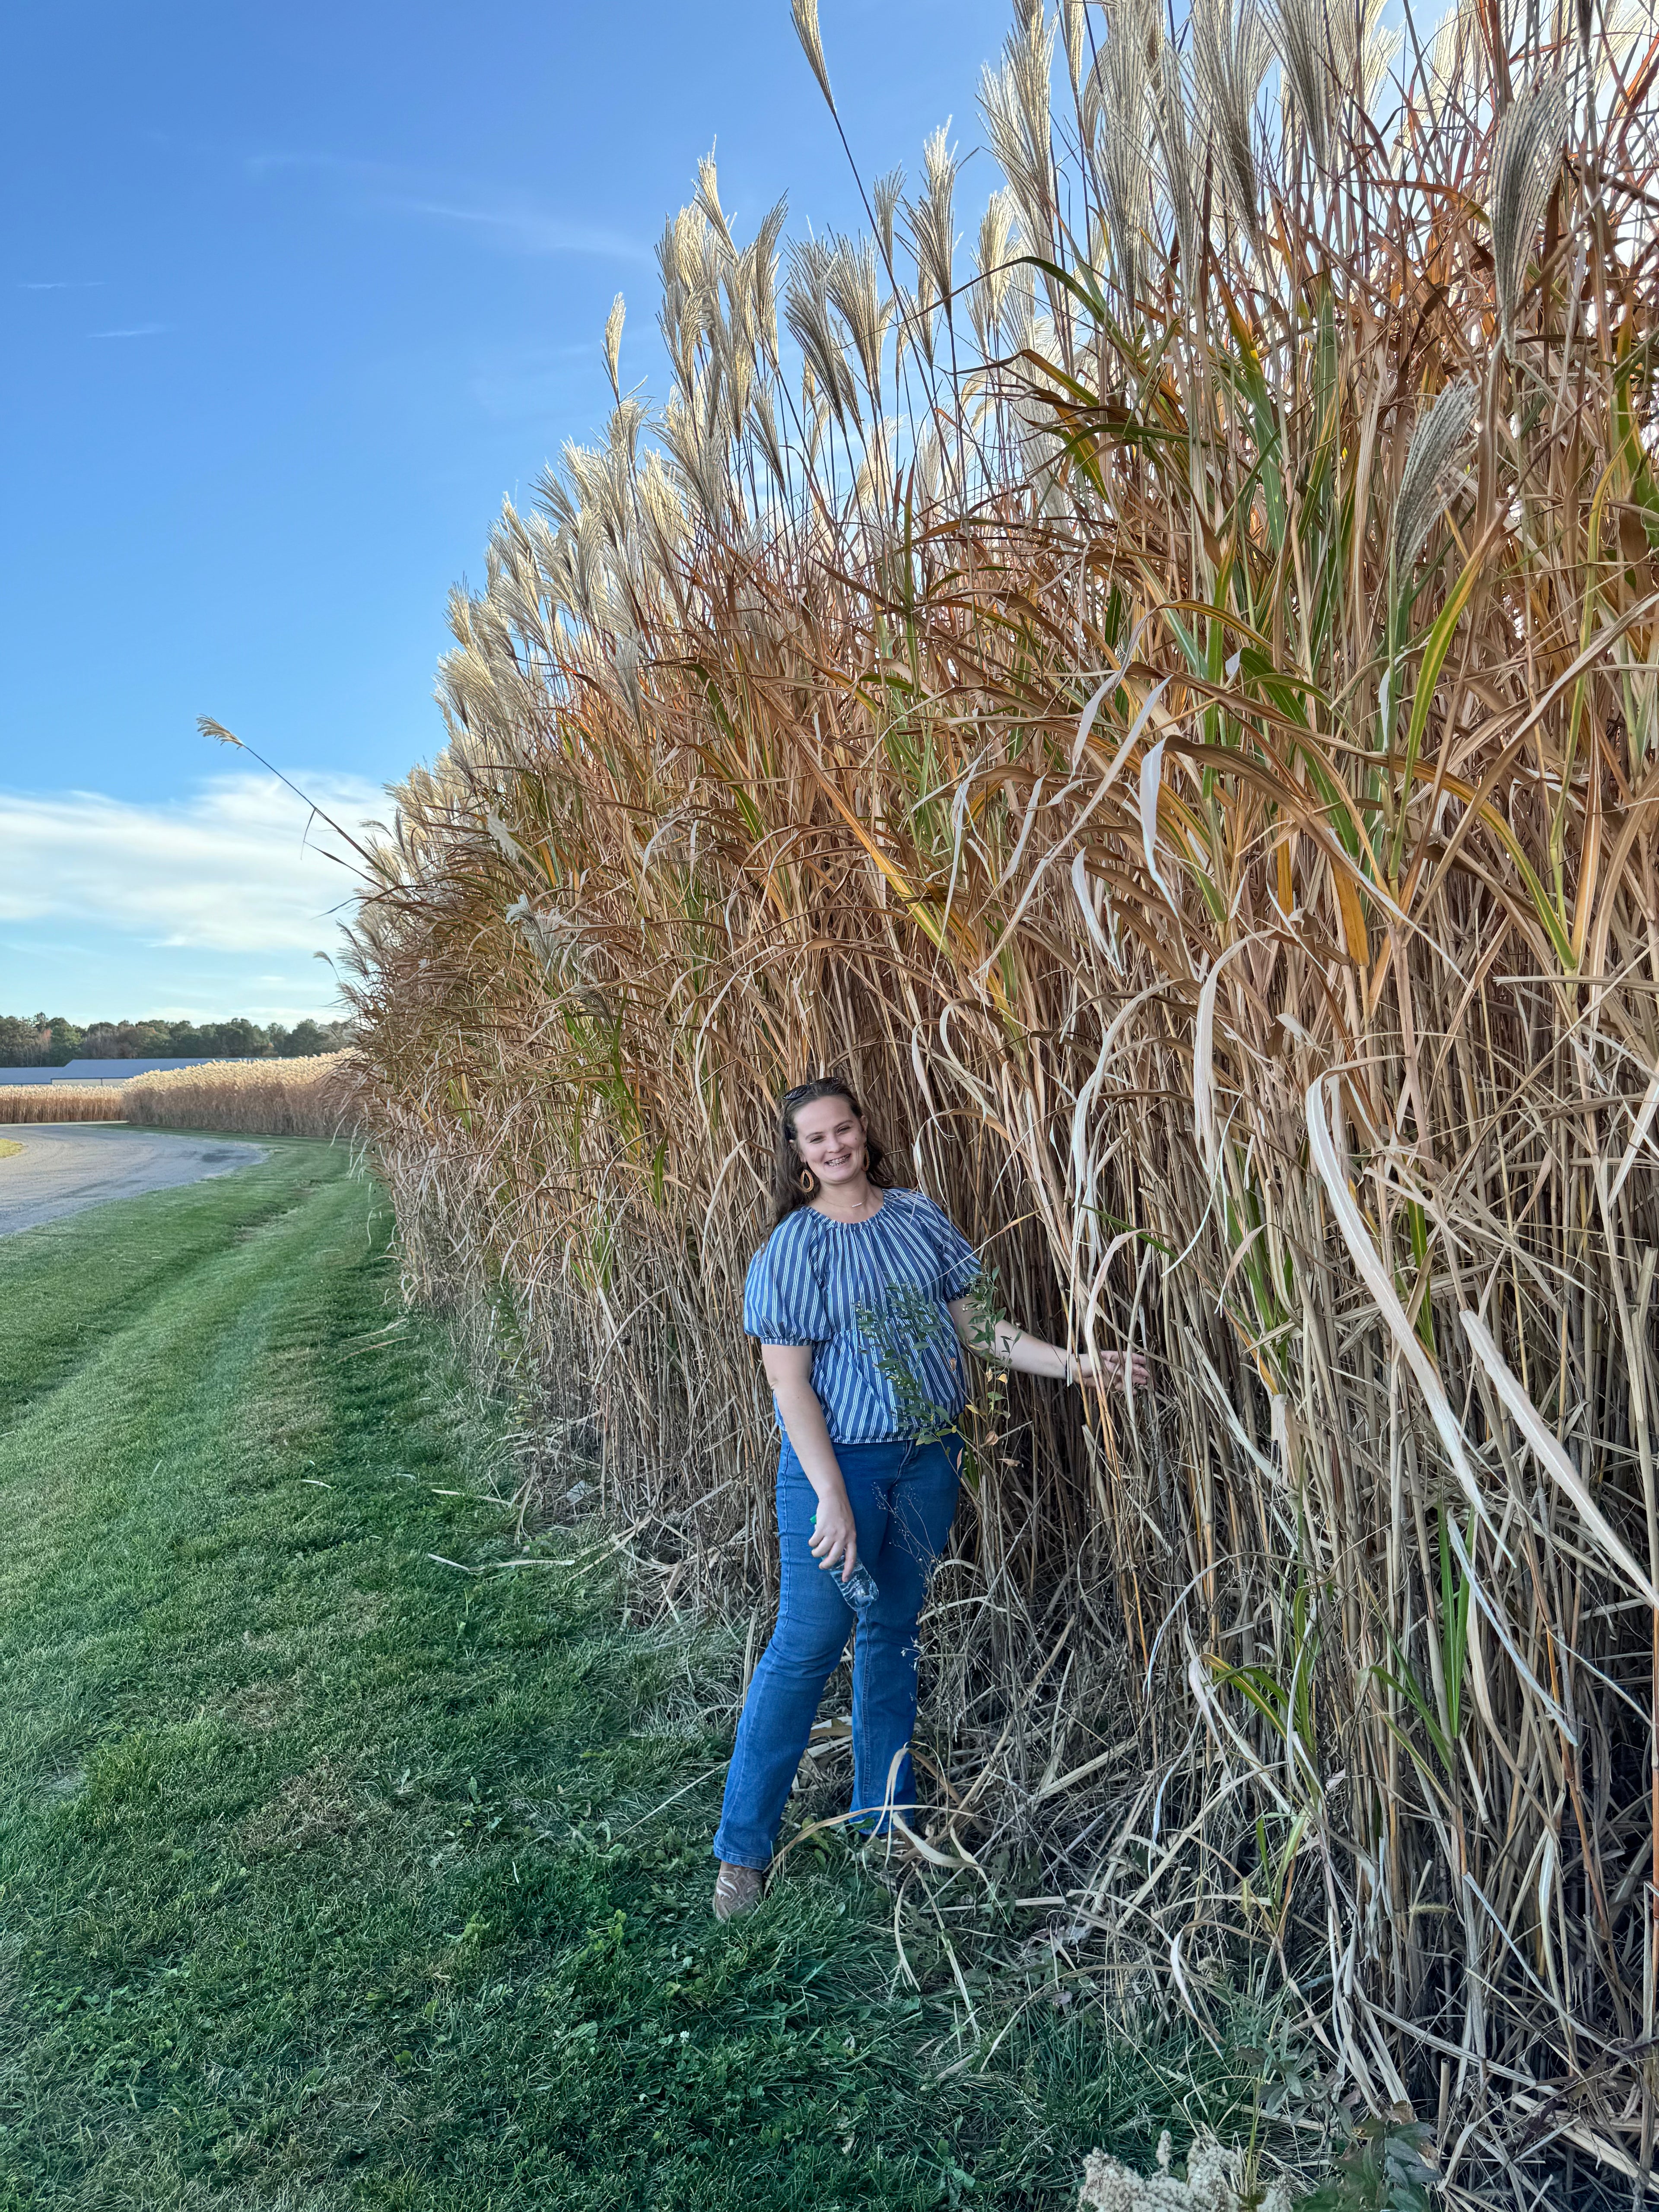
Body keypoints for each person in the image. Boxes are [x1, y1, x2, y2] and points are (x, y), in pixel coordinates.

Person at [711, 1074, 1148, 1921]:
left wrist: (1080, 1365)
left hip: (927, 1462)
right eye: (815, 1139)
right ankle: (743, 1853)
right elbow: (789, 1385)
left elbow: (976, 1328)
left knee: (891, 1635)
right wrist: (832, 1497)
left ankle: (888, 1826)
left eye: (844, 1129)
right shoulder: (794, 1250)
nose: (834, 1146)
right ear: (798, 1156)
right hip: (835, 1470)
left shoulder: (917, 1218)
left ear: (864, 1130)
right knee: (806, 1646)